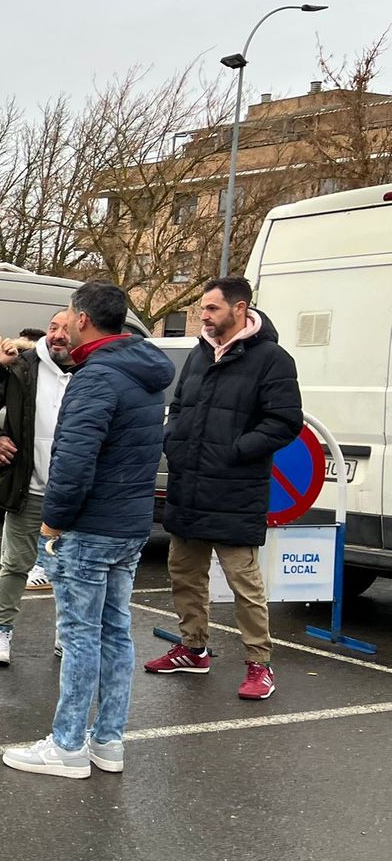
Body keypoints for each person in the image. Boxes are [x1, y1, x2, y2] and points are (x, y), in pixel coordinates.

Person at [2, 282, 175, 779]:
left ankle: (67, 745)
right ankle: (107, 741)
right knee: (116, 632)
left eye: (70, 316)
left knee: (80, 636)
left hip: (92, 526)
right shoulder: (144, 373)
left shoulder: (96, 377)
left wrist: (54, 519)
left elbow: (74, 460)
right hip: (130, 523)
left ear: (82, 319)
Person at [148, 276, 303, 700]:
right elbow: (179, 407)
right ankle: (193, 649)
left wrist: (236, 451)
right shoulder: (200, 354)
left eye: (212, 308)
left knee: (243, 583)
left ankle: (259, 664)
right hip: (189, 485)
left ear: (240, 308)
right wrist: (174, 441)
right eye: (202, 307)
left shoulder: (272, 359)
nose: (204, 315)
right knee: (184, 574)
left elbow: (285, 421)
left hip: (236, 489)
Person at [0, 309, 74, 665]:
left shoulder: (90, 372)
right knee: (15, 566)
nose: (58, 335)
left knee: (69, 570)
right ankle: (1, 633)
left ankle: (65, 636)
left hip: (70, 493)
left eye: (66, 329)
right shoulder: (22, 367)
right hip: (27, 487)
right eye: (53, 328)